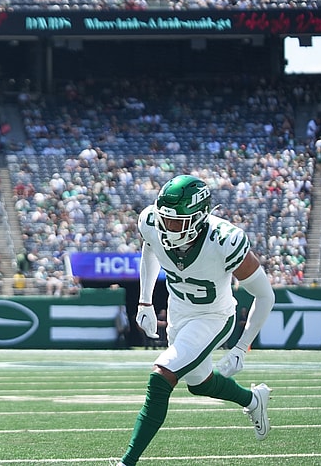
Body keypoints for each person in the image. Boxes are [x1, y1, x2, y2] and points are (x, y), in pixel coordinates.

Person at [114, 175, 276, 466]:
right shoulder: (152, 223)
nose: (167, 227)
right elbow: (151, 247)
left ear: (200, 217)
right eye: (164, 219)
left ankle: (126, 462)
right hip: (179, 313)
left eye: (176, 222)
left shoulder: (225, 241)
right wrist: (145, 300)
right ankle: (254, 400)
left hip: (214, 316)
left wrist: (241, 348)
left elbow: (265, 296)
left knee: (162, 374)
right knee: (199, 383)